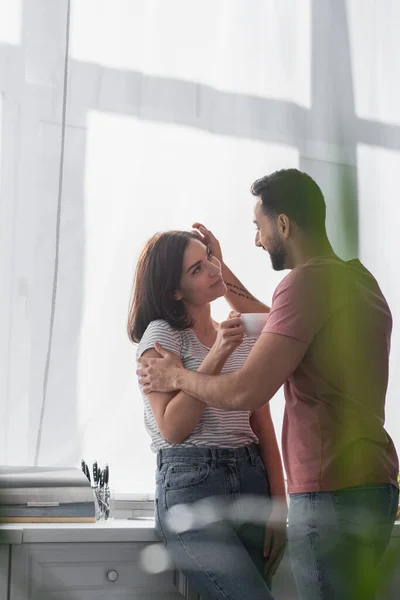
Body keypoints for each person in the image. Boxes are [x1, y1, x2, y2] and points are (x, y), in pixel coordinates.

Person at [137, 169, 399, 600]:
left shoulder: (303, 284)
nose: (257, 240)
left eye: (259, 227)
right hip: (375, 484)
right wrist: (221, 271)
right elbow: (279, 322)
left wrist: (178, 375)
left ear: (283, 225)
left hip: (330, 486)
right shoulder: (356, 280)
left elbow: (246, 393)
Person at [128, 230, 287, 600]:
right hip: (192, 485)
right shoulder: (162, 336)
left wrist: (279, 508)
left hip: (252, 480)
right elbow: (173, 428)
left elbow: (261, 422)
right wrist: (217, 354)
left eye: (210, 259)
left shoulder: (239, 332)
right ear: (175, 291)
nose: (213, 270)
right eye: (198, 269)